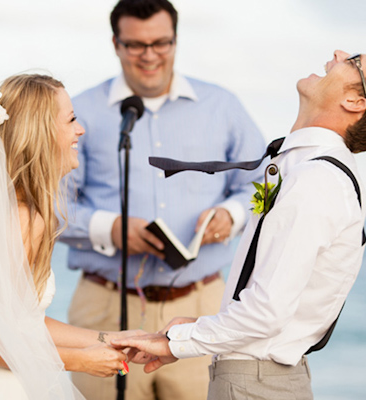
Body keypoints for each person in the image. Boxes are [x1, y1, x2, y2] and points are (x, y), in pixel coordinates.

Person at [112, 50, 366, 399]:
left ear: (355, 101)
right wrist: (198, 328)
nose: (338, 54)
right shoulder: (311, 171)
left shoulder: (316, 180)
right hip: (258, 380)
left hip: (255, 386)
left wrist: (177, 344)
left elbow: (265, 313)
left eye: (353, 61)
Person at [59, 0, 267, 398]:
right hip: (104, 305)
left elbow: (264, 184)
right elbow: (49, 205)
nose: (150, 55)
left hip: (203, 307)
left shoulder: (222, 106)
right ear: (116, 44)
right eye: (136, 44)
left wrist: (233, 213)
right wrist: (111, 229)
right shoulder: (78, 111)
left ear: (175, 40)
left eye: (161, 43)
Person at [0, 74, 137, 400]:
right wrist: (82, 361)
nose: (79, 130)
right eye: (70, 120)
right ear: (40, 132)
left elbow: (25, 322)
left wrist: (107, 339)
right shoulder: (25, 218)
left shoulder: (11, 211)